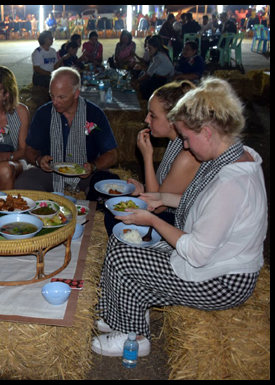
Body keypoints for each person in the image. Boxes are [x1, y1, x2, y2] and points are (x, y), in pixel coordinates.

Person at [92, 78, 267, 358]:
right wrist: (161, 198)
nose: (185, 145)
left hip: (222, 280)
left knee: (123, 258)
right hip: (214, 260)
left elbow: (197, 253)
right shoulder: (234, 156)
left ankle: (133, 338)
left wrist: (153, 220)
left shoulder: (232, 184)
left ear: (207, 133)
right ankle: (125, 315)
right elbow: (202, 204)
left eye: (186, 138)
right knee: (122, 241)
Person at [105, 80, 200, 234]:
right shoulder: (175, 142)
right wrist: (142, 188)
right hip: (163, 208)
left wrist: (147, 157)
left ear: (172, 120)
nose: (146, 120)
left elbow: (159, 208)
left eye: (153, 116)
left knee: (114, 218)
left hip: (179, 224)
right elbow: (162, 191)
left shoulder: (187, 154)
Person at [15, 67, 119, 199]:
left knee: (110, 187)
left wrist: (93, 166)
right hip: (51, 172)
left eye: (61, 97)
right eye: (52, 95)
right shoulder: (44, 113)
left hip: (85, 174)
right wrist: (39, 160)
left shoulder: (94, 114)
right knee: (23, 182)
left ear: (76, 93)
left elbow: (112, 154)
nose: (54, 102)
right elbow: (30, 149)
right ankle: (48, 206)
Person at [133, 36, 174, 100]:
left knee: (147, 82)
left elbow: (149, 72)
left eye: (150, 48)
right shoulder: (156, 54)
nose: (148, 50)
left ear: (156, 47)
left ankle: (147, 98)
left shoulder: (158, 56)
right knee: (143, 74)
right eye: (148, 48)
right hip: (159, 74)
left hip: (164, 77)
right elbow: (150, 69)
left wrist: (137, 81)